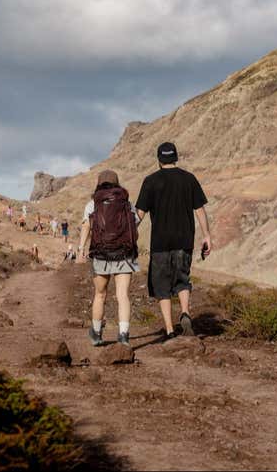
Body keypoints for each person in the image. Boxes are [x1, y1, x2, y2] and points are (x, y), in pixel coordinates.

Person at [135, 142, 211, 339]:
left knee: (162, 286)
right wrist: (207, 236)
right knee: (182, 280)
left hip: (160, 242)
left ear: (159, 160)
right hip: (184, 240)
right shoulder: (189, 179)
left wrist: (126, 234)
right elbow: (200, 210)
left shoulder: (150, 181)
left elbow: (140, 215)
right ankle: (185, 312)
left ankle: (169, 330)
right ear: (176, 158)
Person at [77, 170, 140, 347]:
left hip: (101, 254)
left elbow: (86, 226)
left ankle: (96, 333)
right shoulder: (127, 203)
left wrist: (81, 248)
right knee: (123, 295)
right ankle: (124, 336)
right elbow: (134, 226)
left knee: (100, 294)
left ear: (99, 183)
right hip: (124, 254)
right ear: (117, 183)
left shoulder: (92, 204)